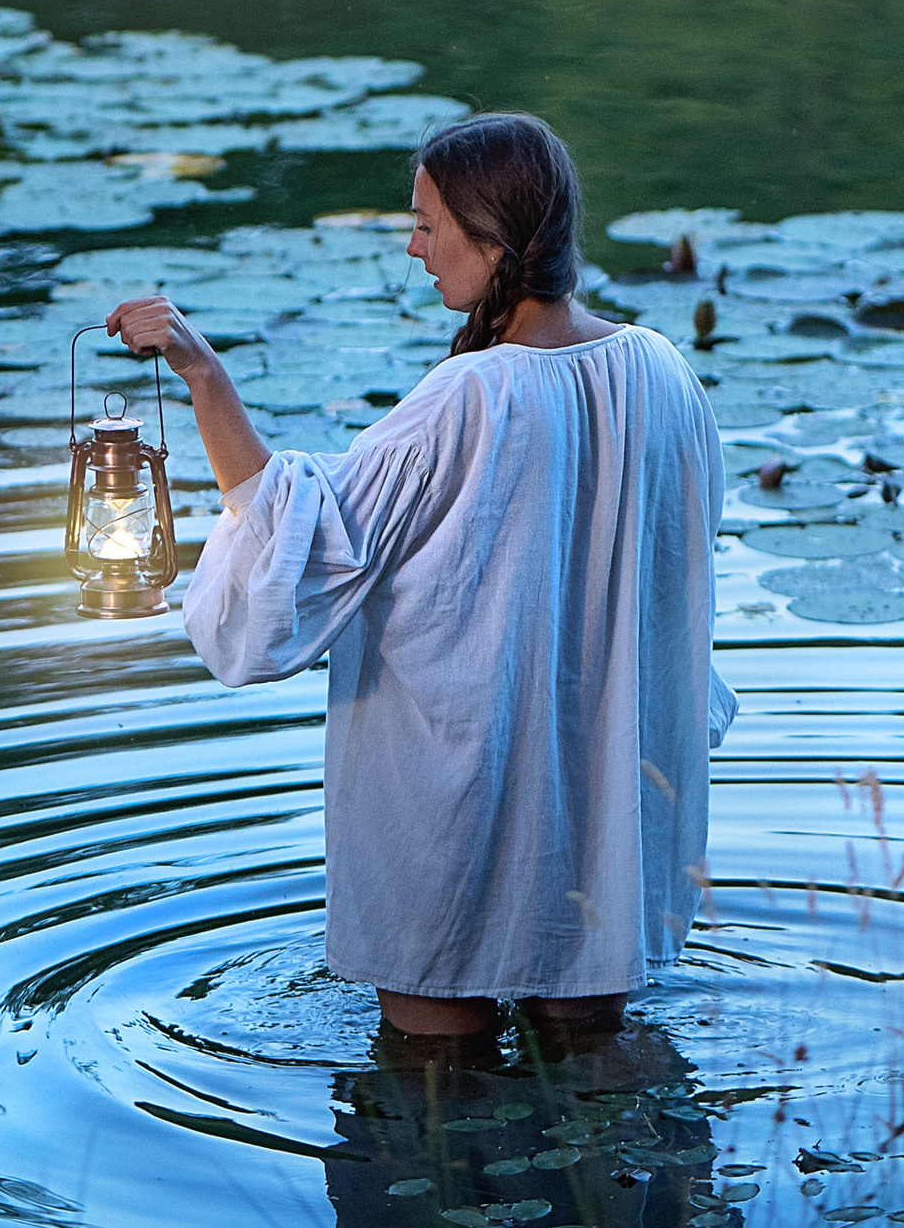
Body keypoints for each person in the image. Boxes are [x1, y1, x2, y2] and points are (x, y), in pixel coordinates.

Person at [107, 111, 734, 1050]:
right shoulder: (662, 370)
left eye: (429, 224)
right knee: (599, 1076)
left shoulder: (471, 394)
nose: (414, 248)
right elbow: (677, 569)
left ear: (494, 240)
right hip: (605, 811)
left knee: (434, 1089)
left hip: (465, 807)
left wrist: (203, 376)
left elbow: (302, 536)